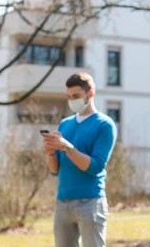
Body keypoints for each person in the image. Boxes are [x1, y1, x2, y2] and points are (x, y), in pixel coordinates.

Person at [43, 72, 117, 247]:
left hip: (90, 203)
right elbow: (55, 171)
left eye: (76, 96)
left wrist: (66, 147)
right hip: (63, 203)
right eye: (68, 97)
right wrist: (52, 152)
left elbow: (96, 167)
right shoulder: (65, 124)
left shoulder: (104, 125)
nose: (72, 100)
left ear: (90, 93)